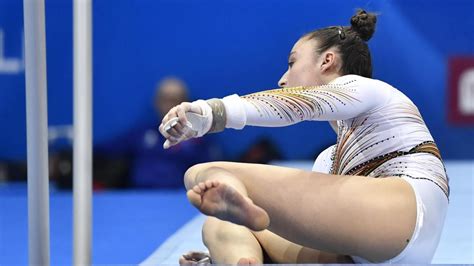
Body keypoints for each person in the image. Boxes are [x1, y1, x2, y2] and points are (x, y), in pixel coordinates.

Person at [159, 10, 449, 263]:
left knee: (203, 173)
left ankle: (235, 194)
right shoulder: (329, 159)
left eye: (292, 63)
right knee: (219, 226)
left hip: (405, 210)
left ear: (327, 61)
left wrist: (212, 113)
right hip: (369, 254)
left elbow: (297, 106)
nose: (282, 80)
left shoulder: (367, 89)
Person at [96, 77, 221, 188]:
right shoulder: (142, 133)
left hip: (181, 198)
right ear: (156, 102)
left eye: (174, 99)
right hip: (140, 197)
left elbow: (211, 170)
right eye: (164, 99)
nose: (169, 105)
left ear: (185, 102)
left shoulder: (197, 138)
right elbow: (106, 150)